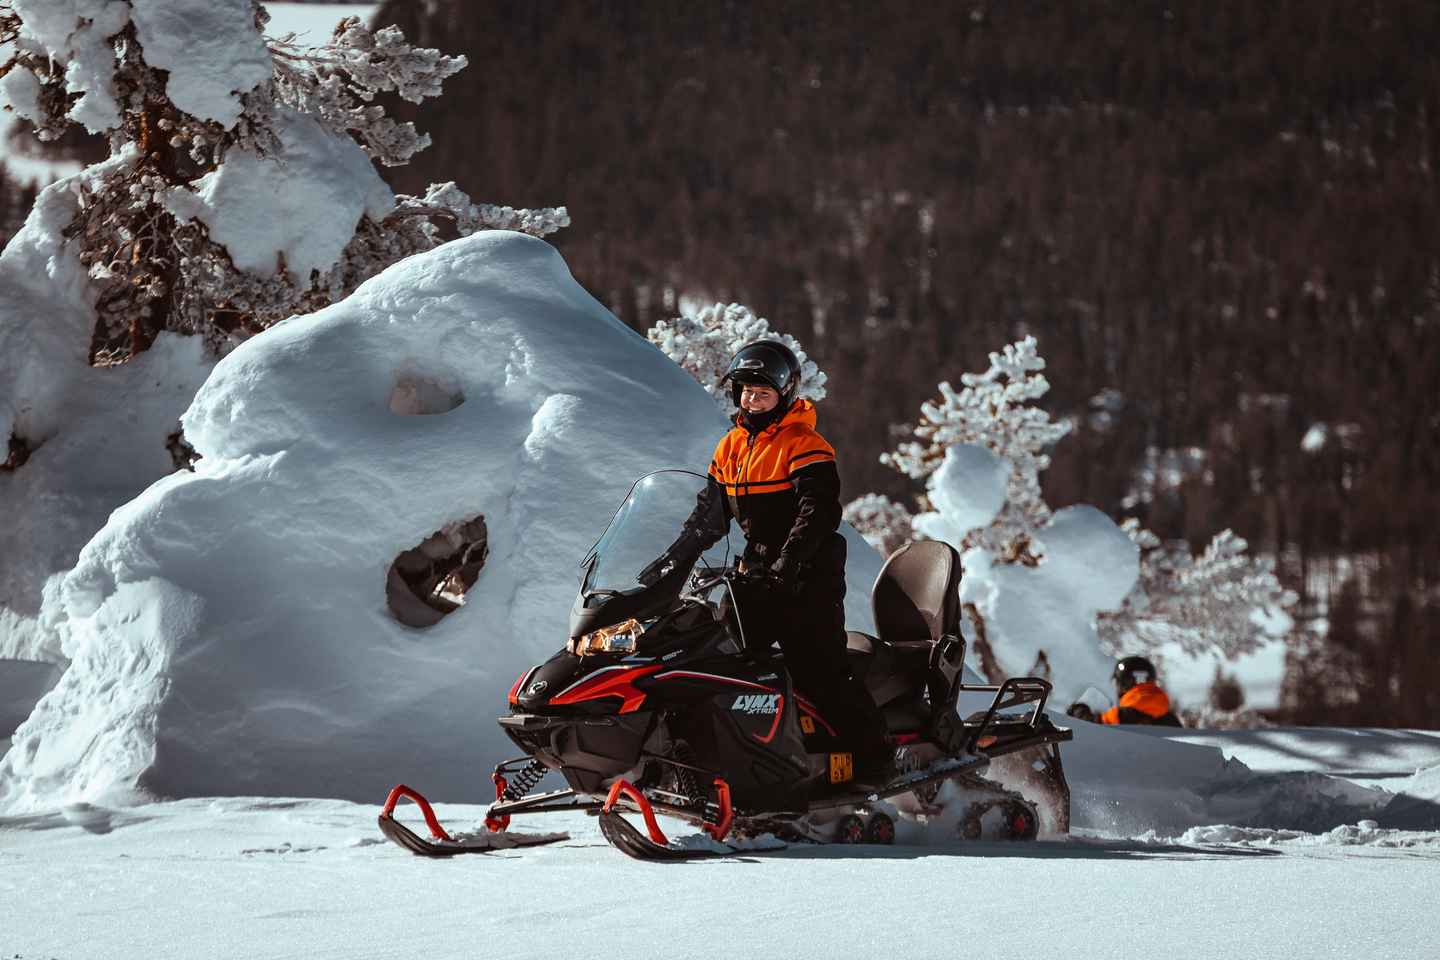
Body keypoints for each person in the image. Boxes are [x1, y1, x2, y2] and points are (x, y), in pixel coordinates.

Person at [640, 340, 893, 785]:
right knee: (726, 668)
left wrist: (788, 564)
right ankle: (739, 763)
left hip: (806, 575)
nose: (751, 401)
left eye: (762, 394)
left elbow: (817, 513)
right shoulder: (731, 447)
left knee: (818, 670)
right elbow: (708, 518)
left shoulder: (804, 444)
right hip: (757, 573)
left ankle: (874, 762)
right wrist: (669, 563)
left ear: (784, 394)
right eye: (745, 392)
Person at [1095, 656, 1183, 727]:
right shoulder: (1172, 721)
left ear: (1123, 684)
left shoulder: (1116, 717)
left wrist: (1083, 712)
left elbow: (1090, 727)